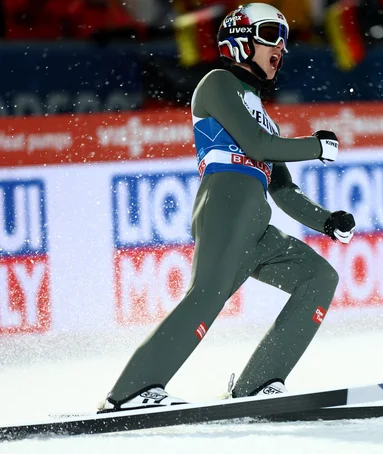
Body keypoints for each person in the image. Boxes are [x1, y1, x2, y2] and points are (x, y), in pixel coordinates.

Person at [99, 2, 355, 412]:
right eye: (271, 34)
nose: (281, 48)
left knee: (318, 277)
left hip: (257, 222)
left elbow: (283, 189)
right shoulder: (217, 83)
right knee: (206, 296)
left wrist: (327, 220)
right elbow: (256, 147)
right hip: (225, 205)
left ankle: (259, 381)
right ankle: (132, 390)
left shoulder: (263, 115)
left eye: (285, 41)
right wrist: (315, 146)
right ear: (240, 39)